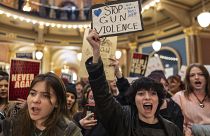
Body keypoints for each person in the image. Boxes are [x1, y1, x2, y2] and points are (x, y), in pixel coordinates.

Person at [85, 29, 182, 136]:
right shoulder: (122, 120)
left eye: (153, 93)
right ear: (133, 100)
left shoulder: (172, 130)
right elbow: (102, 96)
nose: (147, 97)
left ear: (159, 100)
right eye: (141, 93)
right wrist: (96, 52)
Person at [0, 72, 82, 136]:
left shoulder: (70, 131)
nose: (35, 100)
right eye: (32, 93)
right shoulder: (11, 125)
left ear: (57, 102)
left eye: (45, 96)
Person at [172, 63, 210, 136]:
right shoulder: (179, 97)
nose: (196, 77)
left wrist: (198, 129)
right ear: (188, 79)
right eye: (192, 75)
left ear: (206, 77)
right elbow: (174, 124)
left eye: (200, 74)